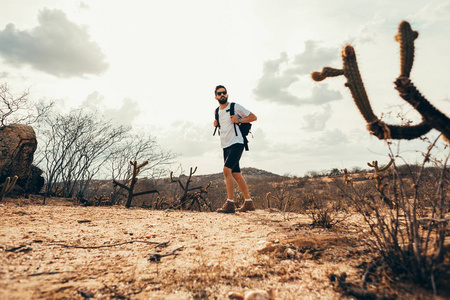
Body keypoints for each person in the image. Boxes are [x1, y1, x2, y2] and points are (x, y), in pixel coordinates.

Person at [213, 85, 257, 213]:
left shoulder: (234, 107)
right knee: (235, 173)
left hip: (237, 143)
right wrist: (216, 123)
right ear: (215, 97)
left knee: (227, 170)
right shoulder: (217, 111)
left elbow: (253, 117)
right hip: (225, 145)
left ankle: (230, 204)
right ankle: (249, 203)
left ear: (227, 95)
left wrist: (239, 119)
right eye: (219, 93)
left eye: (224, 93)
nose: (222, 95)